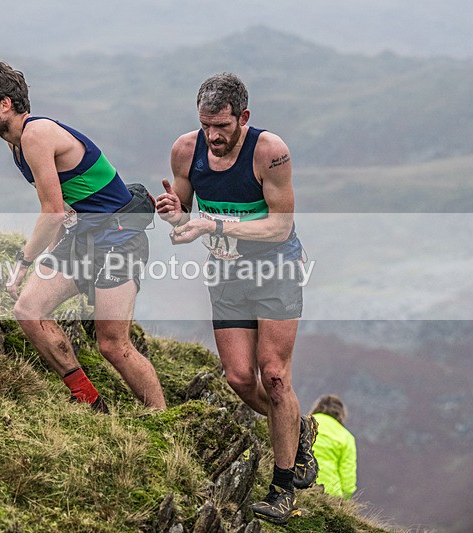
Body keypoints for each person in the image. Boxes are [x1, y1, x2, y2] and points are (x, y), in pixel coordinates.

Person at [155, 72, 316, 524]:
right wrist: (173, 215)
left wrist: (215, 225)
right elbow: (185, 215)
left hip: (276, 269)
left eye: (222, 126)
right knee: (240, 378)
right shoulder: (186, 150)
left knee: (275, 376)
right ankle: (296, 430)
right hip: (226, 273)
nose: (213, 136)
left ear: (243, 117)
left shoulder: (270, 152)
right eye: (206, 125)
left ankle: (283, 487)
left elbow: (279, 225)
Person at [0, 61, 166, 412]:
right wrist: (53, 255)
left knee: (113, 345)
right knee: (28, 311)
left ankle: (162, 420)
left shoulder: (36, 135)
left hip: (119, 238)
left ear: (5, 105)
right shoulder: (16, 145)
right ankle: (88, 400)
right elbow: (67, 206)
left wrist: (24, 262)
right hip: (84, 236)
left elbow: (52, 210)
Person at [310, 395, 357, 499]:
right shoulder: (346, 437)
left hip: (298, 481)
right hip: (330, 493)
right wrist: (345, 501)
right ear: (341, 414)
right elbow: (348, 477)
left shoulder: (305, 423)